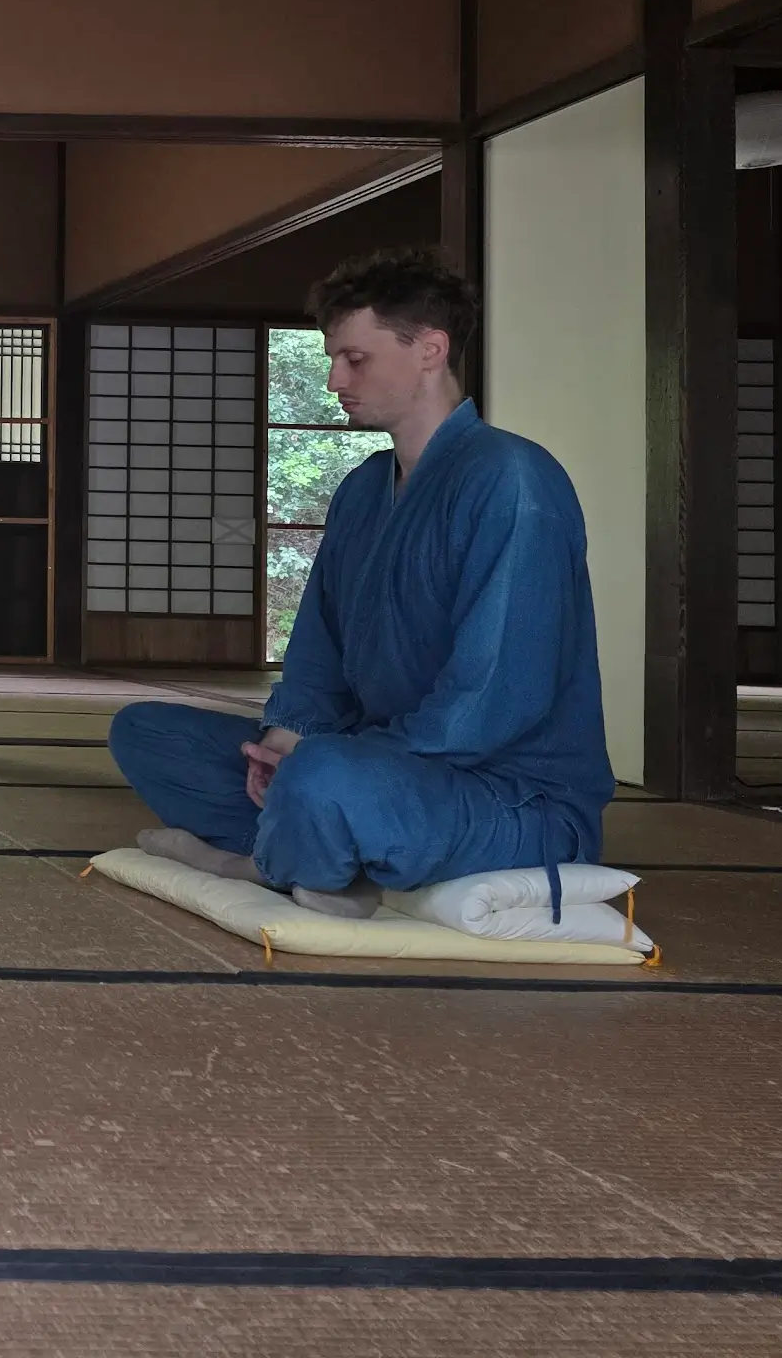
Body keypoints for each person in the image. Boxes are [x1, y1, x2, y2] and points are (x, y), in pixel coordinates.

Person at [107, 249, 612, 917]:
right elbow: (319, 651)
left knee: (326, 777)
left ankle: (263, 860)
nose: (333, 379)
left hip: (509, 796)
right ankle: (315, 845)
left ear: (430, 349)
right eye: (331, 358)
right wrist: (285, 738)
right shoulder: (363, 489)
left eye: (355, 358)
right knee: (147, 733)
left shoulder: (513, 481)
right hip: (384, 770)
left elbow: (493, 697)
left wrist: (334, 758)